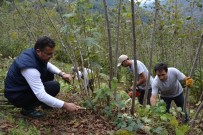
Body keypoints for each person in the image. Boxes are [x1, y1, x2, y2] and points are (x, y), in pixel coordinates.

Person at [4, 36, 80, 118]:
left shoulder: (34, 54)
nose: (52, 56)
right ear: (38, 51)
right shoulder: (30, 69)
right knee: (52, 87)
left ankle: (46, 104)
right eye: (49, 54)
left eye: (52, 53)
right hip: (16, 95)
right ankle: (27, 109)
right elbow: (41, 95)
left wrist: (62, 73)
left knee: (53, 84)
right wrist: (65, 105)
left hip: (22, 87)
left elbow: (48, 65)